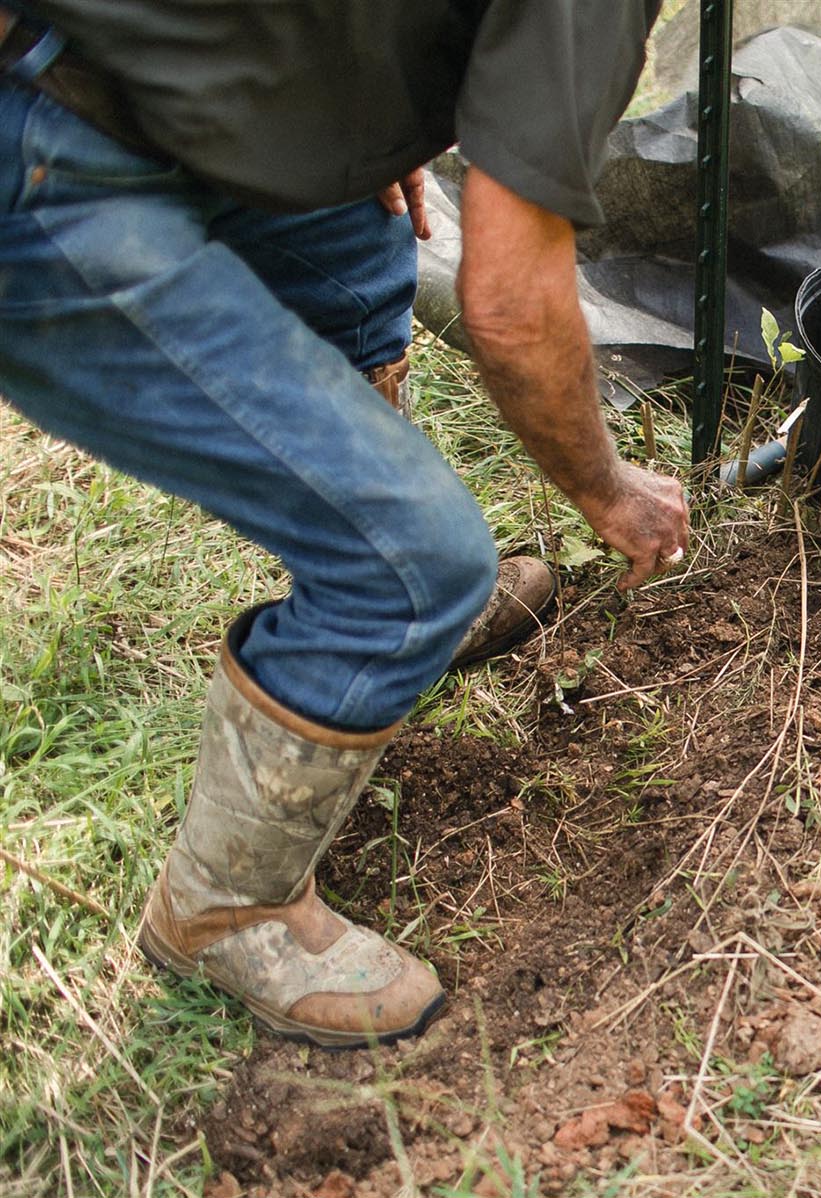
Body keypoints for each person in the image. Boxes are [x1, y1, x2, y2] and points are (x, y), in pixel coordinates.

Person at [0, 0, 687, 1047]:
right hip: (42, 157)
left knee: (355, 237)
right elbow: (510, 304)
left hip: (113, 70)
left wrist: (348, 117)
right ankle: (228, 910)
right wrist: (607, 489)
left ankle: (382, 605)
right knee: (420, 567)